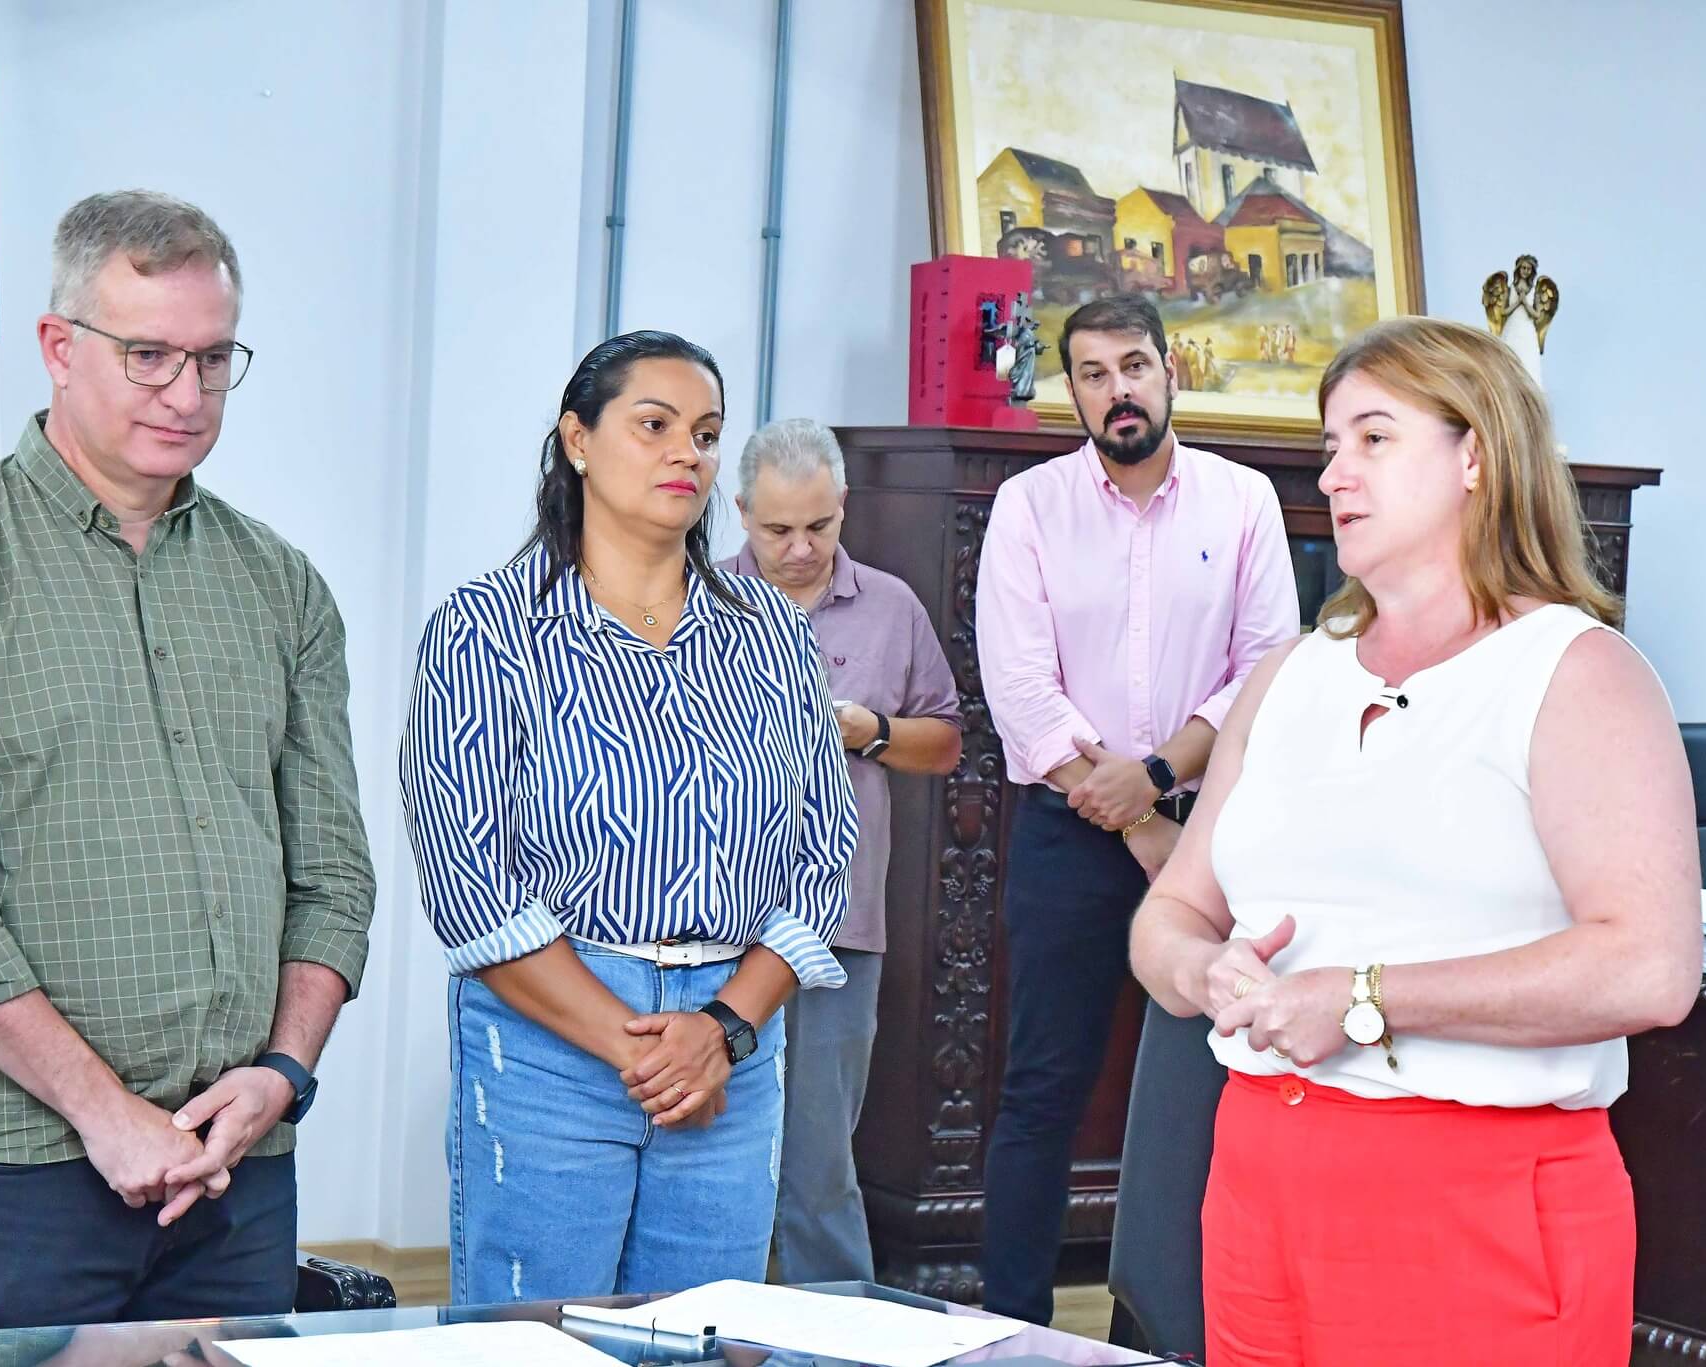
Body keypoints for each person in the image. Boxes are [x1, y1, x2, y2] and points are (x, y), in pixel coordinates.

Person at [0, 190, 375, 1363]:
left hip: (235, 1170)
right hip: (10, 1175)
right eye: (148, 355)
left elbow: (333, 879)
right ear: (58, 347)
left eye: (213, 358)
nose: (186, 392)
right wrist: (106, 1112)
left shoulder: (280, 585)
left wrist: (281, 1074)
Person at [1130, 316, 1700, 1364]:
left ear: (1473, 454)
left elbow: (1649, 967)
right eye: (1329, 446)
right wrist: (1202, 971)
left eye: (1373, 438)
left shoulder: (1576, 673)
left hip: (1475, 1208)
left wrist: (1363, 997)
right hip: (1257, 1189)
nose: (1333, 474)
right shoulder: (1286, 674)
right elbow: (1169, 913)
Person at [399, 331, 859, 1305]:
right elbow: (470, 885)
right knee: (539, 1340)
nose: (686, 452)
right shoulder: (486, 630)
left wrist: (720, 1031)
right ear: (577, 439)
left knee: (703, 1333)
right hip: (551, 1039)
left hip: (733, 1039)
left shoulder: (773, 633)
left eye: (705, 433)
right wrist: (643, 1048)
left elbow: (823, 856)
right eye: (654, 425)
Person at [973, 294, 1298, 1326]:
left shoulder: (1242, 500)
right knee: (1041, 1090)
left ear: (1170, 371)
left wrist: (1156, 781)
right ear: (1071, 392)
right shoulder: (1029, 505)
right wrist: (1132, 814)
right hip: (1070, 834)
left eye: (1133, 366)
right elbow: (1019, 687)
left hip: (1213, 829)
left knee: (1198, 1093)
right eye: (1093, 373)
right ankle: (1013, 1329)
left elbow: (1267, 671)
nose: (1118, 389)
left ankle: (1162, 1330)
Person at [725, 417, 962, 1283]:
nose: (800, 549)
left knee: (820, 1163)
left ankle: (836, 1333)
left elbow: (946, 741)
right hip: (712, 923)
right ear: (741, 513)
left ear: (845, 506)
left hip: (838, 928)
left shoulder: (892, 606)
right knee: (708, 1157)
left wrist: (872, 731)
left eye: (819, 526)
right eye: (777, 529)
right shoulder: (697, 600)